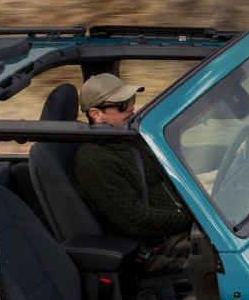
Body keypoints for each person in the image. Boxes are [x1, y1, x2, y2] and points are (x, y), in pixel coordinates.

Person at [73, 73, 193, 241]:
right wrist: (198, 221)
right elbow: (138, 222)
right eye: (121, 105)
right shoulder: (95, 161)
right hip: (156, 248)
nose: (131, 108)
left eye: (131, 100)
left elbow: (179, 157)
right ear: (96, 114)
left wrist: (235, 151)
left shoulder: (126, 140)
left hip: (178, 228)